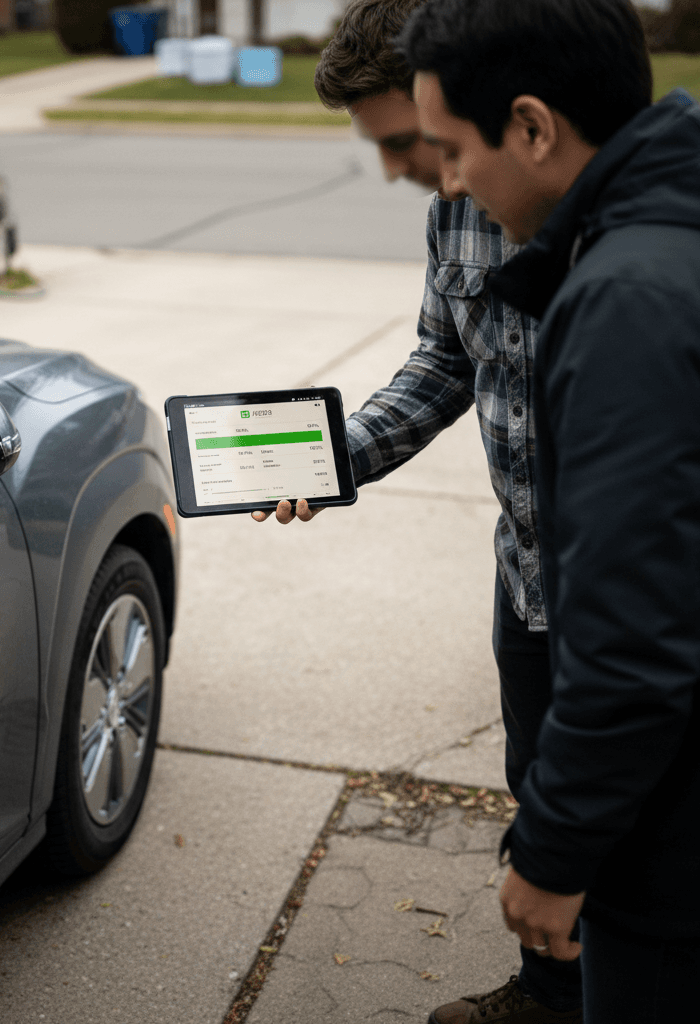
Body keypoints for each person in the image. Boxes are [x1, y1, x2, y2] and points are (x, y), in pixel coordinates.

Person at [255, 2, 581, 1020]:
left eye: (413, 141)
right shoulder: (452, 210)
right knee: (539, 797)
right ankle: (547, 996)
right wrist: (336, 454)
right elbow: (444, 359)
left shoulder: (611, 213)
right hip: (524, 577)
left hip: (632, 588)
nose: (405, 169)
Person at [398, 0, 700, 1018]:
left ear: (530, 127)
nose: (446, 183)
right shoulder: (664, 225)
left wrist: (553, 848)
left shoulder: (626, 296)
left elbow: (635, 638)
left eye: (448, 150)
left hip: (667, 859)